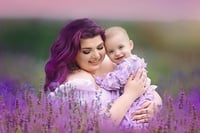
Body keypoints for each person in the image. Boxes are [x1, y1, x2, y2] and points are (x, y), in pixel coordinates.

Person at [44, 18, 162, 130]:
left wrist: (153, 106)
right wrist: (129, 95)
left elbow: (146, 88)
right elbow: (98, 126)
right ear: (72, 53)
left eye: (100, 47)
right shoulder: (78, 83)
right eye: (87, 51)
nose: (96, 55)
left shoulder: (106, 62)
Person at [94, 26, 157, 128]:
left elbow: (117, 81)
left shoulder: (129, 64)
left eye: (120, 47)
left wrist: (100, 81)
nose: (117, 53)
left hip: (139, 100)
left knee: (135, 118)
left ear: (130, 45)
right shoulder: (124, 63)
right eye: (111, 51)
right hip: (137, 97)